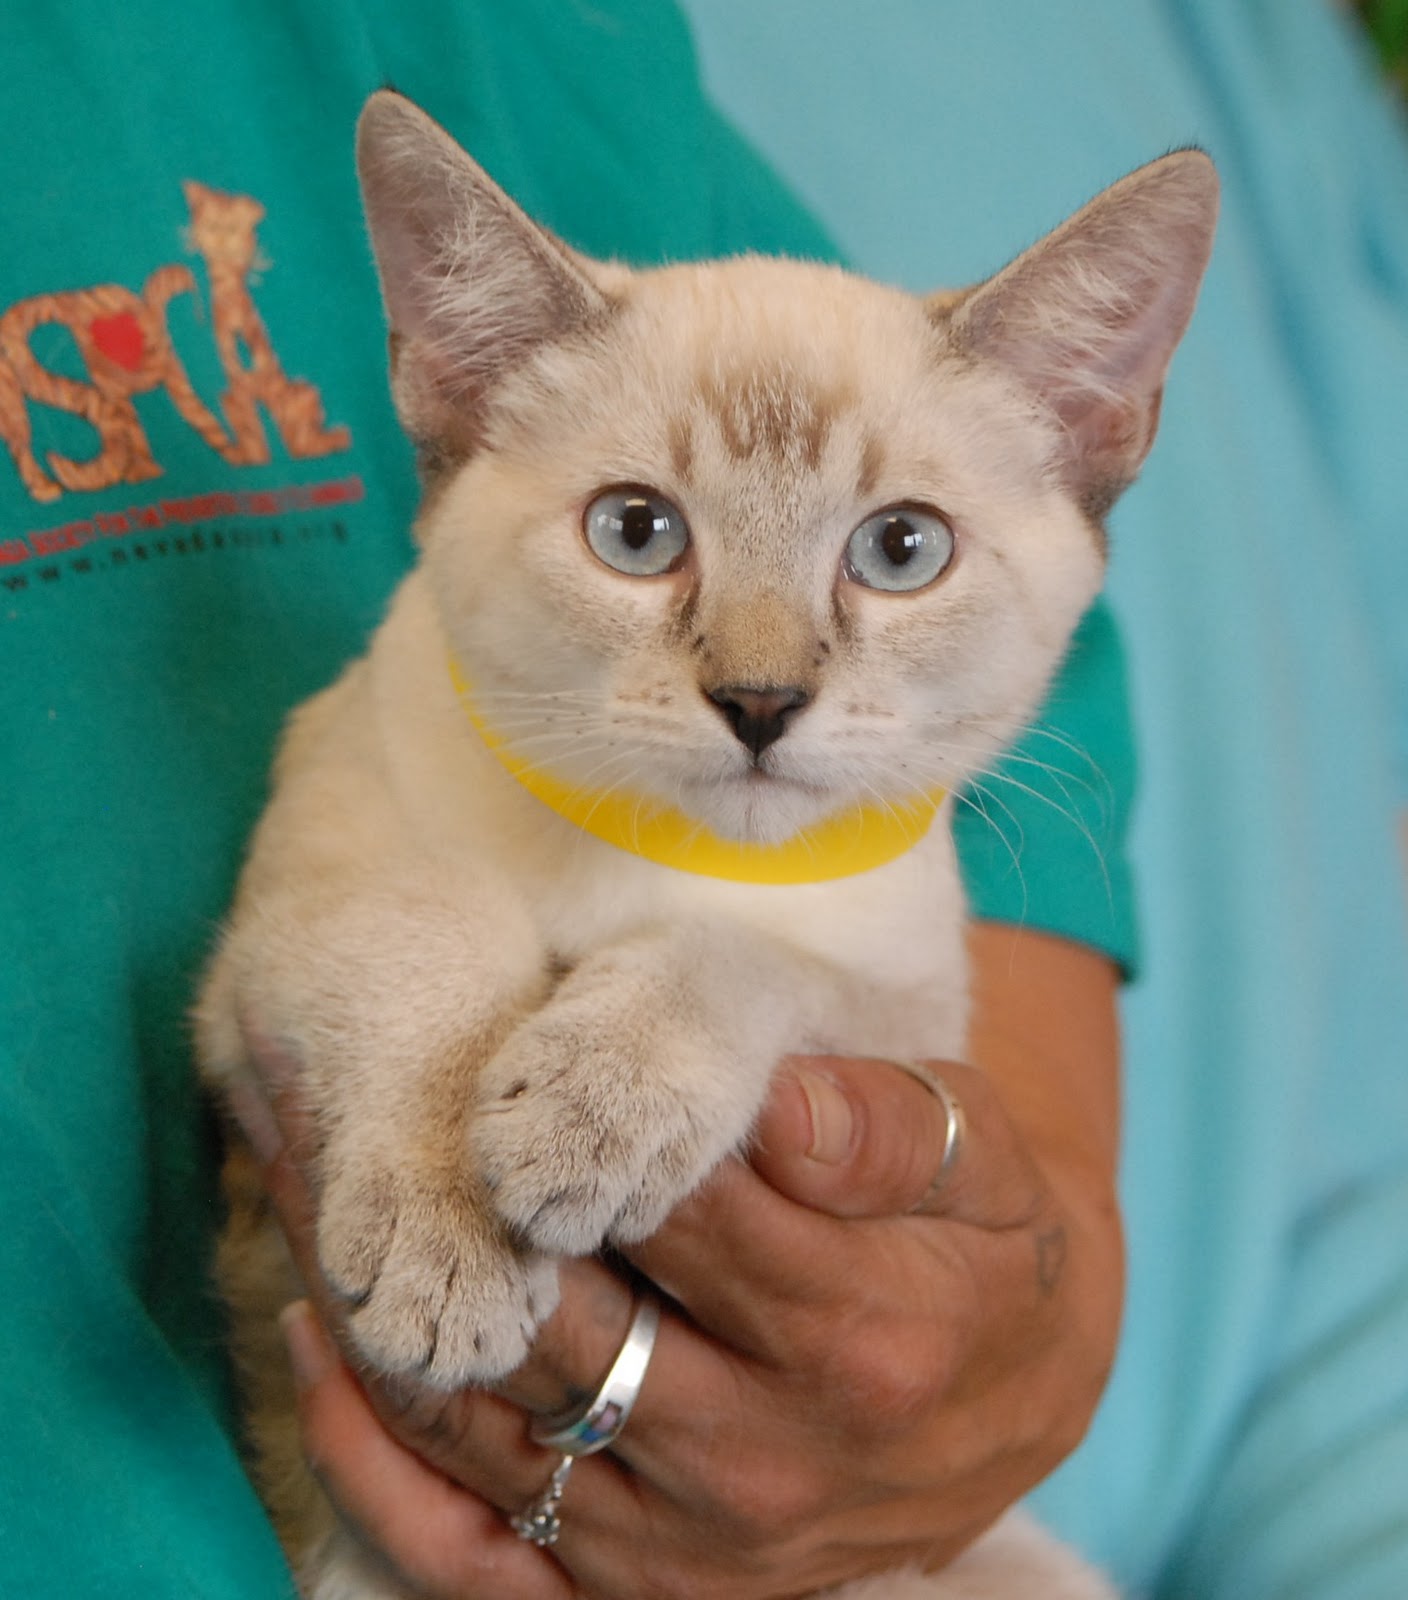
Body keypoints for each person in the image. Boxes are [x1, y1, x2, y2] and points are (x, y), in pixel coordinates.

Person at [3, 6, 1404, 1600]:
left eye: (896, 550)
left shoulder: (554, 50)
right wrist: (420, 1082)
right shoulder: (415, 716)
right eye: (639, 531)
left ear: (1089, 432)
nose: (760, 675)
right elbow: (320, 926)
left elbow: (937, 1141)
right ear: (461, 394)